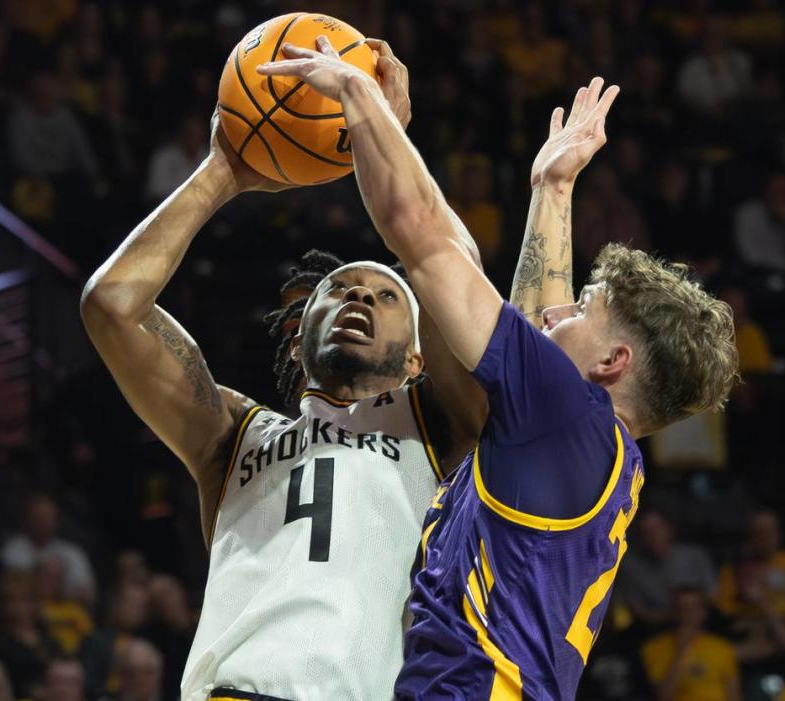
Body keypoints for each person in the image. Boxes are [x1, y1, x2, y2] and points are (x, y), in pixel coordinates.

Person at [83, 38, 600, 700]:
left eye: (386, 295)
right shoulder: (234, 436)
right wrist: (223, 170)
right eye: (338, 290)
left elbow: (444, 261)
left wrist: (381, 131)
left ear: (419, 355)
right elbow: (111, 305)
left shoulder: (444, 426)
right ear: (298, 336)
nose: (357, 296)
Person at [259, 37, 737, 699]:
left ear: (611, 362)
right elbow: (526, 313)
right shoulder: (584, 439)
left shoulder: (564, 413)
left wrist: (360, 101)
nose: (557, 312)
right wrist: (553, 187)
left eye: (583, 309)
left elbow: (418, 230)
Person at [617, 507, 717, 627]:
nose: (654, 536)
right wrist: (679, 616)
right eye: (647, 532)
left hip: (702, 626)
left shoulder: (695, 555)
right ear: (640, 538)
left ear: (670, 529)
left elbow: (713, 597)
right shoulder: (630, 568)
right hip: (653, 630)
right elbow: (639, 613)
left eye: (658, 528)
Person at [640, 588, 742, 701]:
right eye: (681, 607)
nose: (687, 612)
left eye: (693, 606)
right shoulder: (654, 648)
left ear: (703, 612)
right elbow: (664, 697)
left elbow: (734, 695)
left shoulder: (722, 647)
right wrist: (682, 651)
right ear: (673, 611)